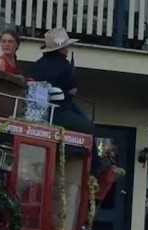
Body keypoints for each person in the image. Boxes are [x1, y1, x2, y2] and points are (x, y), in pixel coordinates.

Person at [28, 26, 114, 177]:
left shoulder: (38, 65)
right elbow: (73, 90)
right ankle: (94, 165)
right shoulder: (64, 65)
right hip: (59, 111)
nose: (68, 48)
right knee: (89, 126)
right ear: (62, 48)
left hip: (36, 111)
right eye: (66, 45)